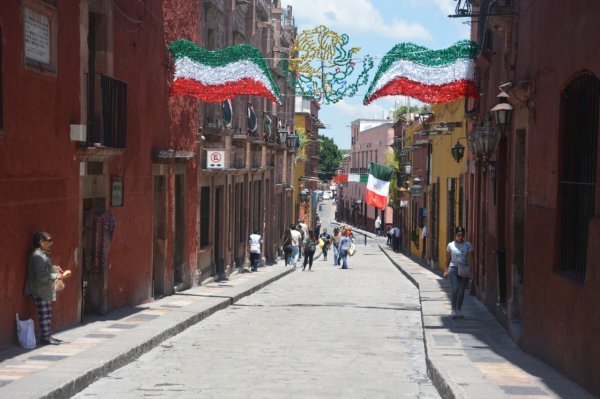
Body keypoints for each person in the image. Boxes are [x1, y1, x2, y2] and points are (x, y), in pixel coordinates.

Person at [24, 232, 65, 345]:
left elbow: (45, 268)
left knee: (47, 313)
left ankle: (47, 336)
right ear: (41, 242)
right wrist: (55, 276)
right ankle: (45, 338)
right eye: (49, 240)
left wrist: (54, 268)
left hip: (44, 288)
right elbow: (40, 275)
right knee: (44, 314)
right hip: (38, 289)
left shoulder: (43, 254)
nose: (51, 242)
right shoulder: (37, 256)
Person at [445, 226, 474, 319]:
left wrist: (471, 271)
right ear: (455, 235)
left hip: (464, 270)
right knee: (455, 288)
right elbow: (447, 259)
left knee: (461, 291)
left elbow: (471, 259)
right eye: (458, 235)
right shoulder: (450, 245)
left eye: (462, 235)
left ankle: (459, 309)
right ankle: (453, 309)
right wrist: (446, 270)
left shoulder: (468, 245)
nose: (460, 237)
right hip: (453, 269)